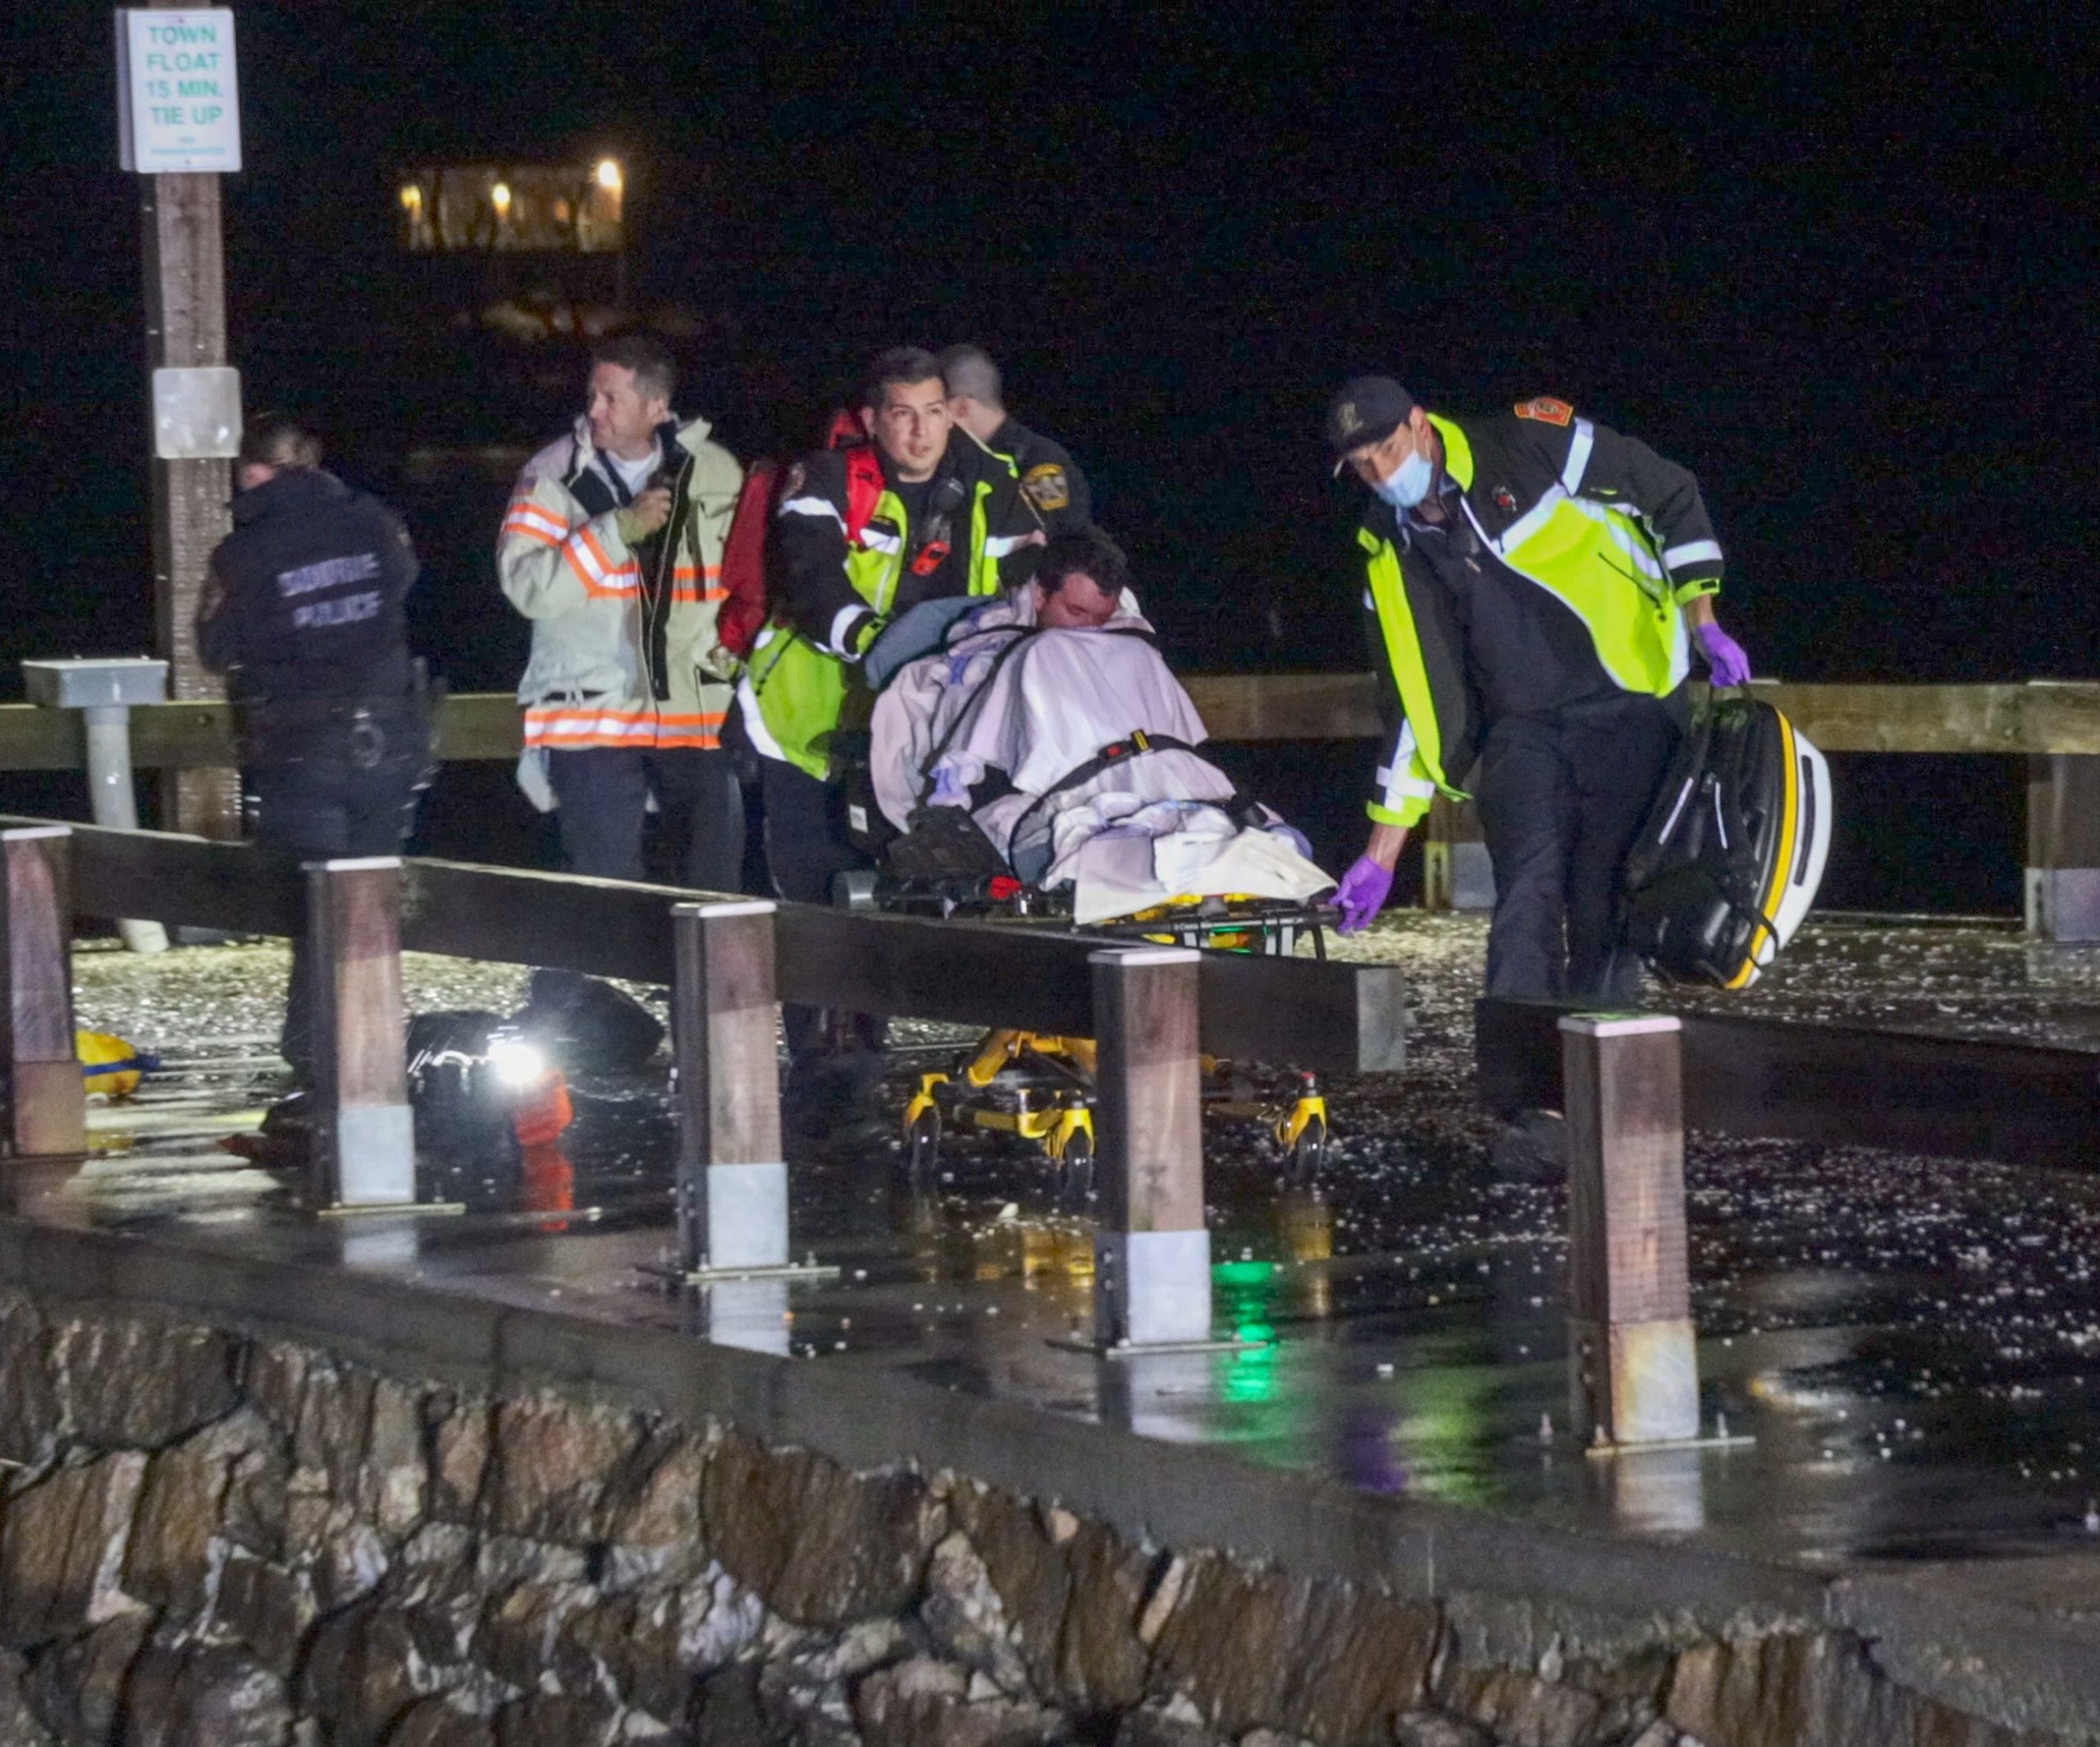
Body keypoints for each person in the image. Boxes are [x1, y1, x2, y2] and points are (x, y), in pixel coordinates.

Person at [1325, 377, 1752, 1004]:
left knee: (1602, 902)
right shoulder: (1386, 551)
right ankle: (1523, 1092)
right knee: (1523, 898)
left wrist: (1703, 620)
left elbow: (1668, 491)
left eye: (1386, 450)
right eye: (1361, 466)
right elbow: (1415, 705)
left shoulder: (1527, 443)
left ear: (1420, 423)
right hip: (1522, 728)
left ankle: (1599, 1074)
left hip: (1627, 699)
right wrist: (1381, 854)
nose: (1381, 474)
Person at [737, 346, 1042, 1098]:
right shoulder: (828, 480)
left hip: (916, 734)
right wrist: (878, 643)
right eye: (902, 416)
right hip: (808, 725)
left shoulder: (991, 486)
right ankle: (817, 1058)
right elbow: (809, 577)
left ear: (952, 414)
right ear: (874, 420)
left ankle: (864, 1048)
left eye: (934, 413)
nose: (919, 432)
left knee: (889, 885)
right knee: (812, 892)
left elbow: (1033, 580)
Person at [199, 413, 429, 1082]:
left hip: (302, 751)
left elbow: (215, 650)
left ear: (253, 471)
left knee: (314, 910)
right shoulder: (376, 523)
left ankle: (314, 1058)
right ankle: (376, 1042)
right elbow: (404, 581)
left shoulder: (242, 554)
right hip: (390, 742)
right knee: (373, 904)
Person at [498, 333, 746, 890]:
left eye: (611, 398)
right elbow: (526, 588)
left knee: (712, 884)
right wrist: (616, 533)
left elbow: (744, 583)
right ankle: (583, 981)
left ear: (656, 407)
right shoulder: (551, 476)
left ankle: (704, 980)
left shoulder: (716, 472)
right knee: (606, 890)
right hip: (591, 715)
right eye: (593, 395)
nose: (594, 411)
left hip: (690, 710)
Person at [938, 344, 1093, 538]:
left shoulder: (1038, 460)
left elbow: (1060, 538)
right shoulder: (963, 460)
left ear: (961, 408)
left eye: (936, 408)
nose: (930, 421)